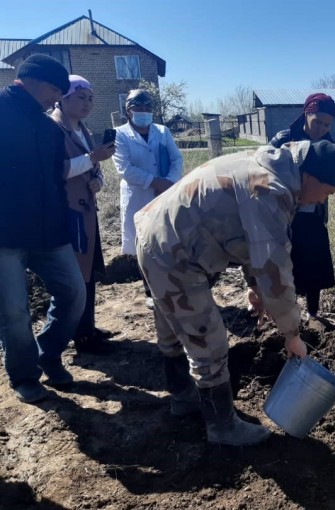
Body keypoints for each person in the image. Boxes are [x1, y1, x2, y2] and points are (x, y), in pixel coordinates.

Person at [134, 140, 335, 446]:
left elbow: (252, 242)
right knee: (208, 341)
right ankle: (222, 427)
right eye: (327, 192)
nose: (323, 200)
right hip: (174, 253)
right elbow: (273, 265)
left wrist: (254, 288)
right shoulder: (270, 189)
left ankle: (183, 400)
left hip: (161, 237)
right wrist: (292, 333)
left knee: (173, 328)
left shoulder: (268, 168)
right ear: (311, 177)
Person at [0, 54, 86, 403]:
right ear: (30, 80)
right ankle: (24, 376)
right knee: (14, 311)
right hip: (5, 235)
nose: (57, 99)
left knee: (74, 293)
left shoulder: (48, 127)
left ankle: (48, 353)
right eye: (55, 90)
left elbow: (55, 178)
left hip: (49, 232)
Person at [50, 75, 116, 354]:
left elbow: (94, 167)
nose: (88, 103)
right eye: (81, 97)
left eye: (90, 98)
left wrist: (98, 180)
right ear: (62, 98)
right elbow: (58, 169)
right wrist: (92, 160)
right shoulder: (53, 128)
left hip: (86, 210)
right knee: (76, 276)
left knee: (88, 273)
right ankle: (78, 336)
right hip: (68, 212)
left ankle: (87, 328)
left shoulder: (82, 129)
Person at [112, 89, 183, 307]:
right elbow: (125, 169)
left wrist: (169, 182)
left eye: (147, 108)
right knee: (143, 244)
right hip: (139, 195)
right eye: (138, 108)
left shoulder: (162, 132)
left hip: (164, 194)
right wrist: (154, 181)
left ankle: (174, 286)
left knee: (166, 240)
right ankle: (151, 292)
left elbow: (176, 159)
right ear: (128, 111)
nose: (143, 112)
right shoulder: (119, 134)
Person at [270, 93, 335, 320]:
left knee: (313, 264)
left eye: (327, 124)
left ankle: (313, 313)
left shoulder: (328, 145)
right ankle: (286, 311)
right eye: (317, 121)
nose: (321, 128)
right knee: (286, 263)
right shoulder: (283, 139)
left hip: (314, 215)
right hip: (286, 215)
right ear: (307, 114)